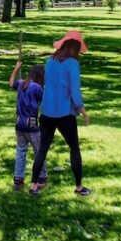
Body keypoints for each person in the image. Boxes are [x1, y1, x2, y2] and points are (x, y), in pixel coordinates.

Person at [30, 30, 91, 197]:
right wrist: (83, 112)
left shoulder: (49, 61)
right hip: (65, 114)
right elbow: (74, 92)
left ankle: (33, 185)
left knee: (42, 150)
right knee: (74, 149)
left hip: (47, 113)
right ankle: (79, 187)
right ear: (75, 47)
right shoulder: (72, 64)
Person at [9, 61, 47, 191]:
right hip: (31, 126)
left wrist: (16, 69)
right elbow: (45, 101)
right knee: (39, 152)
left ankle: (18, 179)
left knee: (21, 151)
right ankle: (41, 177)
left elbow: (11, 83)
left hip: (19, 125)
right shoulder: (37, 88)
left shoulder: (21, 84)